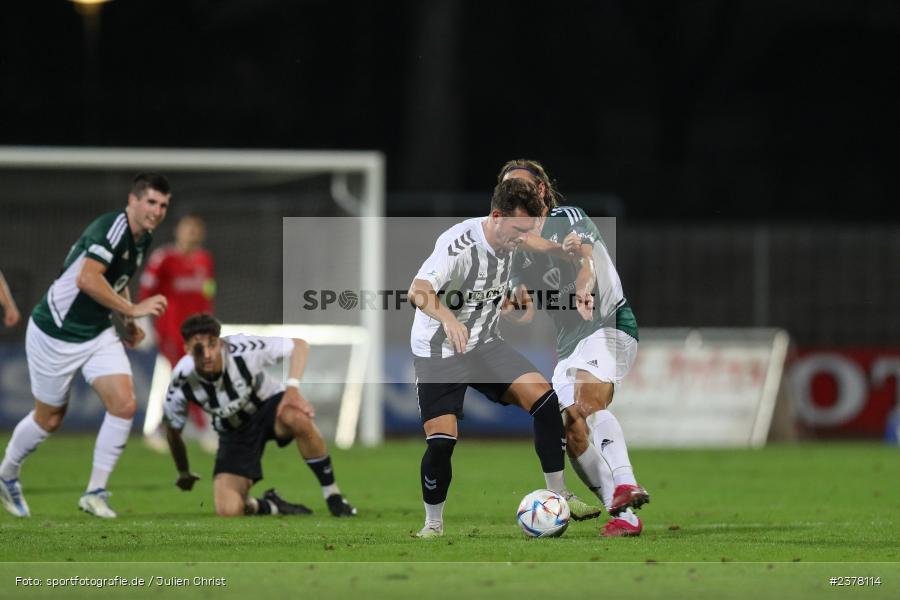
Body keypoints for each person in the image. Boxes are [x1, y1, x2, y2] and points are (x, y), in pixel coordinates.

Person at [408, 177, 597, 539]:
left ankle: (559, 495)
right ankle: (433, 524)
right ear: (496, 216)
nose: (522, 237)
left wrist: (563, 250)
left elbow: (535, 241)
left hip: (483, 344)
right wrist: (449, 319)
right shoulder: (459, 244)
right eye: (519, 229)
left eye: (528, 228)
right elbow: (418, 291)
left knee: (545, 402)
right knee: (443, 443)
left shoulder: (516, 232)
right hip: (439, 350)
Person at [0, 173, 171, 519]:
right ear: (133, 200)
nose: (157, 210)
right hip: (55, 332)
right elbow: (87, 278)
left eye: (164, 205)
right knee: (49, 419)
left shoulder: (143, 237)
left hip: (96, 332)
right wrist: (132, 309)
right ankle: (6, 475)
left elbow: (116, 281)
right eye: (151, 202)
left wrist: (127, 322)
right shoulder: (112, 227)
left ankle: (94, 493)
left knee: (124, 404)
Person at [501, 159, 649, 537]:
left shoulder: (566, 217)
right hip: (569, 346)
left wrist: (584, 283)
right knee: (572, 427)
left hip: (609, 324)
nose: (514, 194)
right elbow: (523, 308)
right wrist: (514, 303)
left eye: (520, 187)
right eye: (507, 188)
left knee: (586, 403)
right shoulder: (517, 253)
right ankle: (624, 514)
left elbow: (585, 258)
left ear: (541, 192)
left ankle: (626, 482)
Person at [163, 313, 357, 518]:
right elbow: (173, 432)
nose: (208, 354)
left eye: (212, 344)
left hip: (269, 407)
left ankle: (333, 495)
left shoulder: (244, 348)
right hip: (234, 432)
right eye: (199, 348)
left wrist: (292, 389)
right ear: (187, 350)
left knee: (297, 417)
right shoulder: (181, 380)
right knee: (228, 510)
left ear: (221, 343)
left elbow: (299, 345)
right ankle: (269, 505)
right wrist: (183, 472)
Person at [138, 215, 217, 452]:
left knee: (186, 379)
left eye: (196, 229)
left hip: (197, 331)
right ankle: (204, 429)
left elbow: (207, 292)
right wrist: (143, 322)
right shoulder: (164, 258)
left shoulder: (205, 259)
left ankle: (161, 429)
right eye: (188, 229)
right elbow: (146, 290)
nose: (192, 233)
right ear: (178, 231)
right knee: (188, 376)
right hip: (170, 328)